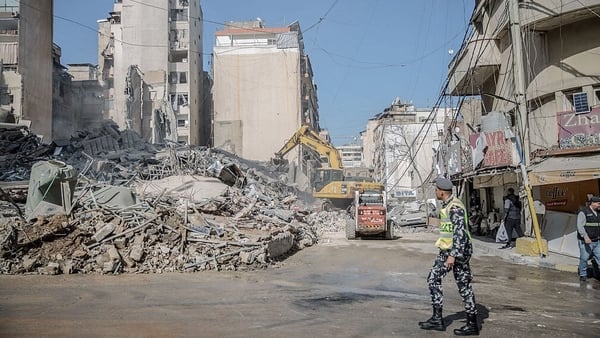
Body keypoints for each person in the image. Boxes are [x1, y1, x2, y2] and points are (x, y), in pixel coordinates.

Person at [418, 177, 479, 336]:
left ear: (442, 192)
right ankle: (439, 319)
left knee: (461, 285)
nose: (435, 191)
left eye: (436, 189)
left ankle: (470, 324)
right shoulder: (448, 205)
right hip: (447, 251)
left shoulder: (455, 207)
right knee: (438, 280)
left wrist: (453, 255)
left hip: (456, 253)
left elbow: (460, 235)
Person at [576, 196, 600, 282]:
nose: (599, 205)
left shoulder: (598, 213)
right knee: (584, 258)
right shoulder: (584, 212)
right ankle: (583, 275)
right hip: (586, 241)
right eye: (598, 203)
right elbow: (580, 226)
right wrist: (585, 236)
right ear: (592, 203)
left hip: (597, 241)